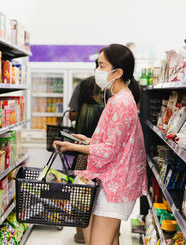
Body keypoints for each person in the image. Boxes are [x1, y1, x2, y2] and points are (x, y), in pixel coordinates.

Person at [53, 44, 148, 245]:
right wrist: (88, 141)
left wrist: (72, 147)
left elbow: (109, 151)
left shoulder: (121, 102)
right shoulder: (118, 99)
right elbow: (116, 142)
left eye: (102, 66)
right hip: (114, 181)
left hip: (116, 185)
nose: (97, 70)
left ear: (118, 72)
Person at [73, 76, 104, 244]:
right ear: (94, 90)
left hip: (80, 157)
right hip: (92, 156)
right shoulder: (100, 109)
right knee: (93, 197)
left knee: (80, 196)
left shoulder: (82, 108)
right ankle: (93, 233)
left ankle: (79, 233)